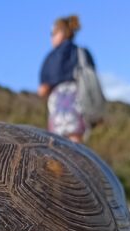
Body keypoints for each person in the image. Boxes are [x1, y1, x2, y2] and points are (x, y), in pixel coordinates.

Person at [38, 15, 96, 143]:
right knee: (75, 142)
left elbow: (43, 89)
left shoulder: (52, 56)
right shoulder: (82, 52)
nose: (51, 37)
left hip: (58, 102)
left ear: (62, 32)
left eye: (53, 33)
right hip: (80, 99)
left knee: (55, 144)